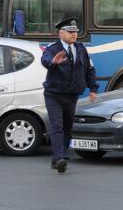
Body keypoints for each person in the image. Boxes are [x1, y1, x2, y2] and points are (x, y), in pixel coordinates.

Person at [41, 17, 98, 173]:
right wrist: (53, 62)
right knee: (57, 126)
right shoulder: (53, 48)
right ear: (61, 33)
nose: (74, 35)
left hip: (72, 95)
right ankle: (59, 157)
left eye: (75, 32)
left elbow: (89, 69)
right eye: (70, 32)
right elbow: (45, 59)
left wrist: (93, 88)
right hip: (54, 94)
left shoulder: (81, 48)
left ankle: (59, 156)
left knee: (68, 127)